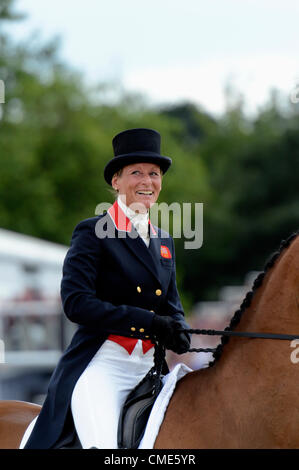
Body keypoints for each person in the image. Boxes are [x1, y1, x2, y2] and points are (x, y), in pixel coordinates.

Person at [22, 128, 190, 449]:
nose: (147, 181)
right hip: (104, 365)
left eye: (153, 174)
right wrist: (149, 322)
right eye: (136, 172)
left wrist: (178, 329)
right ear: (116, 181)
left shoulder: (163, 240)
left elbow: (171, 305)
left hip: (151, 367)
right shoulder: (93, 232)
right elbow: (77, 303)